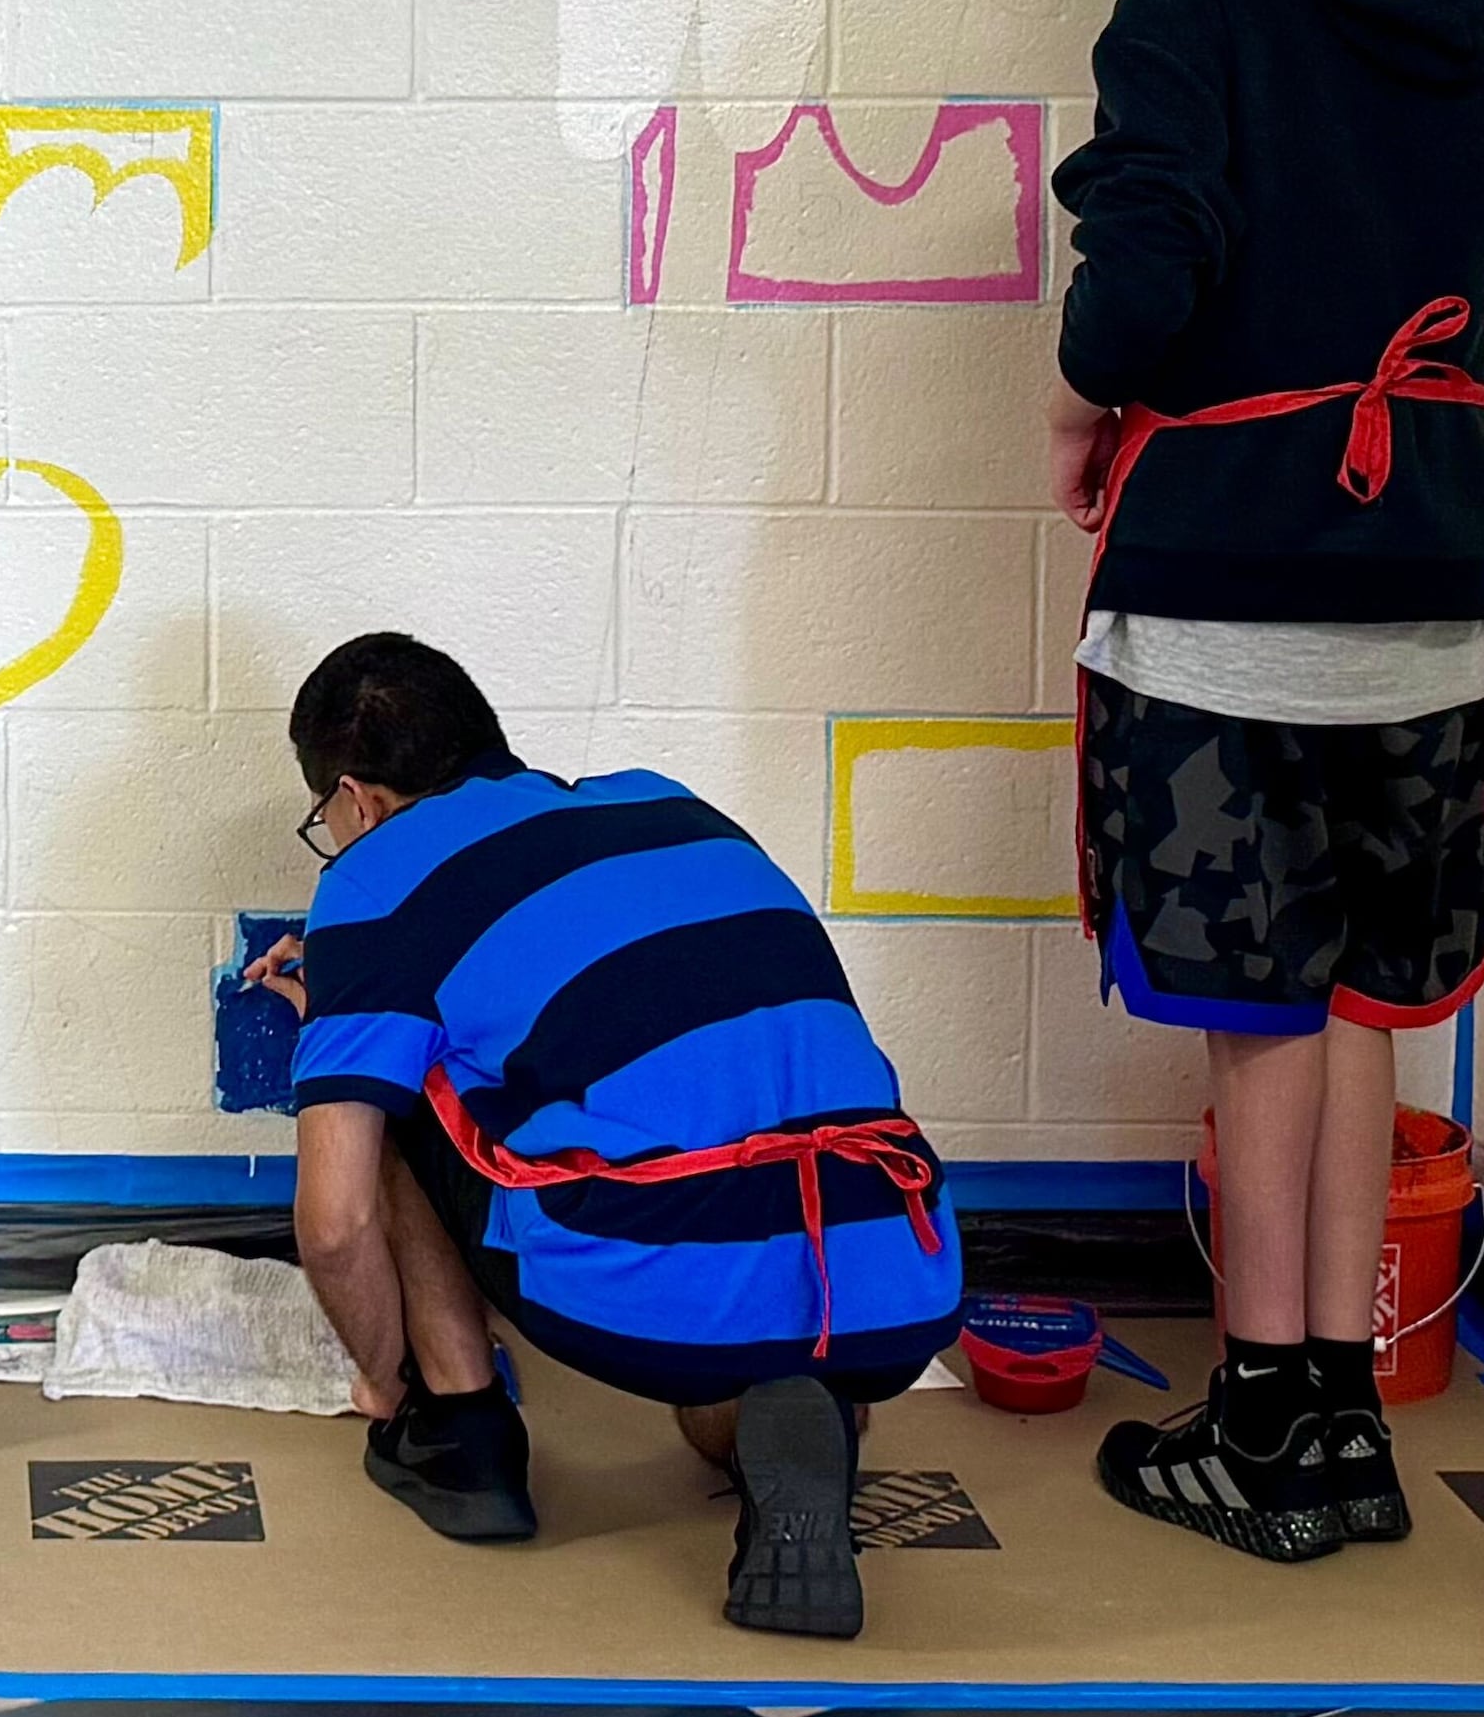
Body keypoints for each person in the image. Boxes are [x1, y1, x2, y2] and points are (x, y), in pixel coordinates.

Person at [1048, 0, 1484, 1566]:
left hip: (1232, 590)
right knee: (1374, 1006)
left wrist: (1082, 391)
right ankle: (1345, 1420)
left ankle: (1266, 1417)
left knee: (1254, 1016)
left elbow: (1149, 266)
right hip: (1444, 572)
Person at [246, 633, 962, 1640]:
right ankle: (800, 1406)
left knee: (384, 1090)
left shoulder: (374, 878)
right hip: (892, 1261)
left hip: (653, 1268)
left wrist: (377, 1374)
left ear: (356, 800)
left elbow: (335, 1220)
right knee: (725, 1385)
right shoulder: (669, 807)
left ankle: (460, 1431)